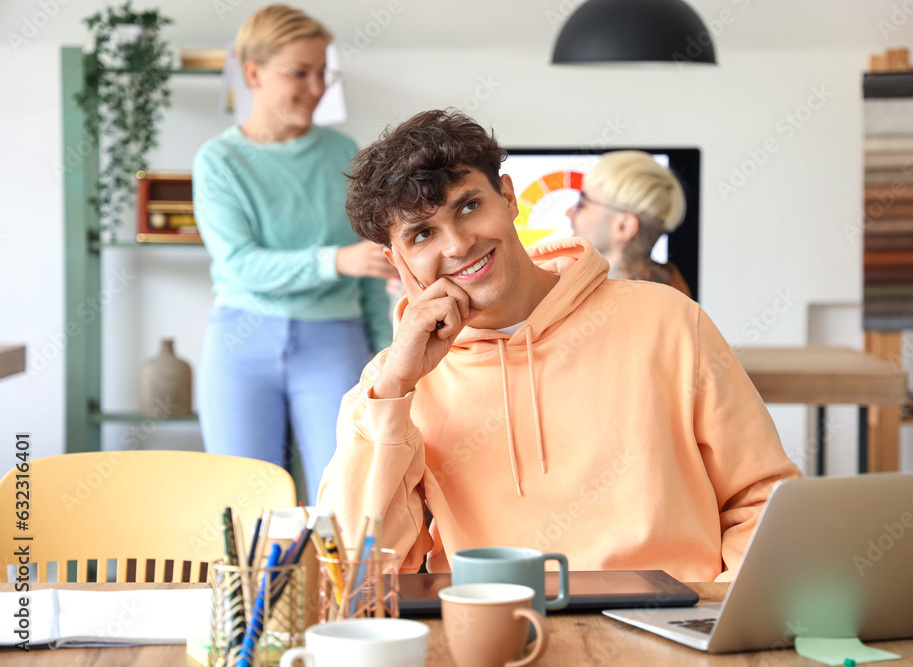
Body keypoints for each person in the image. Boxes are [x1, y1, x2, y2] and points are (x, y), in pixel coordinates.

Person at [317, 109, 801, 581]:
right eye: (422, 234)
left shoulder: (670, 320)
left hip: (668, 634)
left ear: (507, 197)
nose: (458, 245)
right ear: (396, 260)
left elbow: (764, 501)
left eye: (468, 207)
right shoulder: (393, 383)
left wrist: (716, 614)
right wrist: (395, 389)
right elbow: (355, 572)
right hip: (496, 635)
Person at [193, 5, 396, 504]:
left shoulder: (343, 155)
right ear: (253, 72)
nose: (316, 87)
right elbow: (238, 264)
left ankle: (345, 588)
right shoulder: (219, 161)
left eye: (322, 72)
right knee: (244, 507)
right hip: (241, 345)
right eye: (299, 73)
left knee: (348, 500)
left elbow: (369, 266)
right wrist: (334, 261)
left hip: (336, 341)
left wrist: (385, 355)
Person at [567, 150, 692, 297]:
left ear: (624, 226)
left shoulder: (656, 311)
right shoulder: (677, 303)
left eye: (582, 203)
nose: (569, 212)